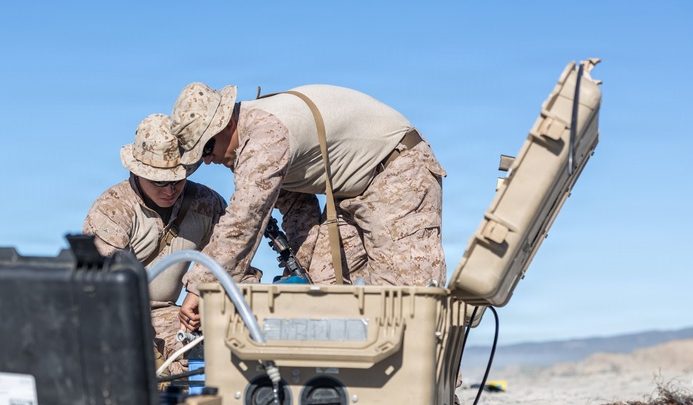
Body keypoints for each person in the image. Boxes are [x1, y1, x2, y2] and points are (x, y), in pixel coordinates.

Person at [168, 82, 447, 333]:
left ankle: (433, 385)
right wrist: (301, 271)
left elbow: (244, 221)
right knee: (322, 290)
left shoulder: (265, 138)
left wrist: (201, 287)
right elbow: (297, 207)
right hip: (349, 193)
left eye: (206, 148)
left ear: (227, 123)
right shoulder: (248, 144)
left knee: (408, 302)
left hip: (397, 173)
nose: (207, 160)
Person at [82, 113, 260, 383]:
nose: (170, 190)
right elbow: (97, 294)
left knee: (209, 365)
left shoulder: (206, 204)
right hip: (119, 318)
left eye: (177, 179)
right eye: (159, 181)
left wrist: (212, 303)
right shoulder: (112, 210)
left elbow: (234, 266)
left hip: (172, 313)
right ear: (136, 171)